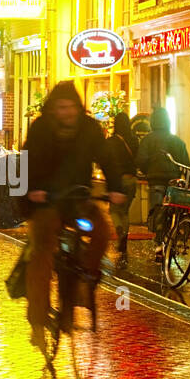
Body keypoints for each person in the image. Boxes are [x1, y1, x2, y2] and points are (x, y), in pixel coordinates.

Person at [20, 81, 126, 350]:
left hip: (78, 199)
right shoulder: (41, 128)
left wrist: (116, 187)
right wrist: (33, 189)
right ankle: (37, 319)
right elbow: (27, 160)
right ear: (53, 109)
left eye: (71, 107)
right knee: (42, 252)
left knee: (102, 231)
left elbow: (107, 158)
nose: (67, 112)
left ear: (78, 108)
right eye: (61, 107)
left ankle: (84, 281)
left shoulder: (90, 128)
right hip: (48, 200)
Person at [134, 106, 190, 261]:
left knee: (158, 211)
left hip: (156, 181)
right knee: (172, 210)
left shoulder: (147, 140)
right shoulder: (177, 141)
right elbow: (186, 164)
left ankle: (159, 245)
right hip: (173, 181)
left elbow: (140, 160)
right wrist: (188, 182)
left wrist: (148, 171)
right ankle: (173, 238)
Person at [104, 112, 139, 265]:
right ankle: (124, 236)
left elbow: (106, 160)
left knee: (113, 210)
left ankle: (119, 229)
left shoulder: (111, 141)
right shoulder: (134, 140)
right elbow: (138, 158)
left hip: (117, 179)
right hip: (132, 179)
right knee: (125, 211)